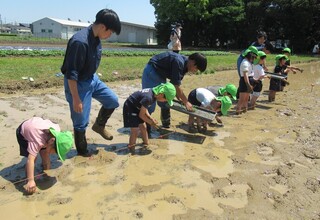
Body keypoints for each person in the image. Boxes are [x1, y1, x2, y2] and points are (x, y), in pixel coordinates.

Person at [61, 9, 121, 156]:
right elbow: (71, 74)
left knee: (112, 100)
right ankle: (82, 152)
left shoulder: (96, 38)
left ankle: (99, 126)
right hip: (78, 84)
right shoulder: (80, 42)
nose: (110, 35)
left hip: (92, 78)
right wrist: (76, 99)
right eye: (110, 32)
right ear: (102, 27)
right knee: (80, 121)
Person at [141, 51, 207, 131]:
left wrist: (180, 98)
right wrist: (186, 102)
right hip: (152, 71)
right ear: (193, 62)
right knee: (150, 102)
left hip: (161, 74)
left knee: (166, 98)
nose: (195, 71)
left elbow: (174, 84)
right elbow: (176, 86)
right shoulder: (179, 62)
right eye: (196, 69)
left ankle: (166, 125)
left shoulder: (185, 67)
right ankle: (144, 129)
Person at [16, 117, 73, 194]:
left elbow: (48, 145)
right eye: (55, 151)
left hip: (38, 126)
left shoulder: (57, 133)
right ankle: (28, 179)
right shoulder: (37, 140)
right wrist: (31, 180)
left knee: (45, 152)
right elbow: (30, 160)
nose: (54, 154)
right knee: (33, 157)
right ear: (52, 141)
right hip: (24, 132)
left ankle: (46, 169)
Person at [123, 82, 176, 151]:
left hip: (137, 107)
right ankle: (131, 148)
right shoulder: (148, 97)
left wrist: (150, 118)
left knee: (144, 127)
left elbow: (145, 108)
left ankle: (146, 143)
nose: (164, 101)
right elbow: (141, 115)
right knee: (135, 130)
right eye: (165, 100)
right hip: (130, 108)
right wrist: (151, 123)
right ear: (161, 94)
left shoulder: (153, 95)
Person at [236, 49, 257, 114]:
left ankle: (245, 109)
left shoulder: (248, 63)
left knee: (246, 98)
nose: (253, 60)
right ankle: (238, 110)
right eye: (253, 58)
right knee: (242, 99)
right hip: (245, 81)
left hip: (249, 80)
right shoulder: (245, 63)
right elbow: (245, 75)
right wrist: (248, 85)